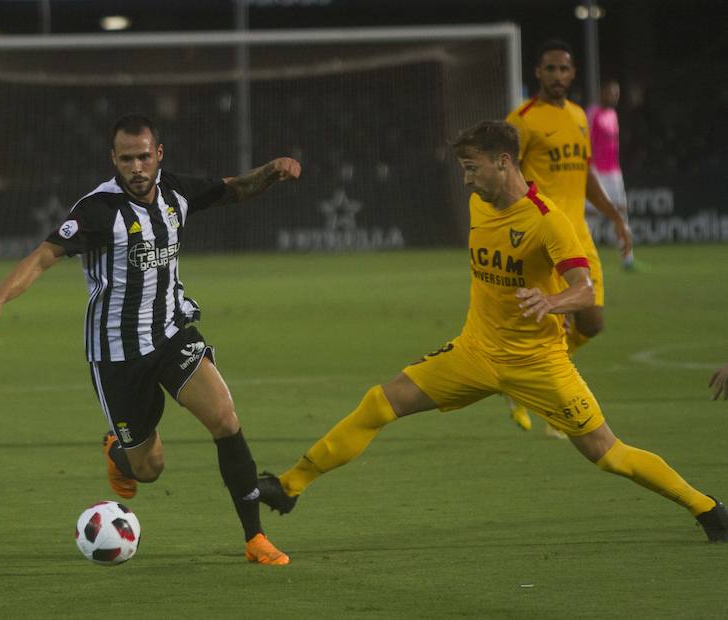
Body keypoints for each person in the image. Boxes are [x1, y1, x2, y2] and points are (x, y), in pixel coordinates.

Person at [256, 120, 728, 544]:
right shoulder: (479, 205)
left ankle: (707, 509)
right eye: (463, 169)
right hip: (473, 352)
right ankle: (291, 484)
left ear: (503, 163)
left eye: (472, 168)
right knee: (380, 402)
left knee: (609, 454)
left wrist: (552, 300)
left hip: (538, 364)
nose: (466, 179)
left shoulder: (547, 221)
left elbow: (585, 291)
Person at [0, 114, 301, 565]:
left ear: (158, 154)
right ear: (114, 160)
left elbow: (234, 188)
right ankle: (119, 452)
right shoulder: (98, 210)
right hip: (117, 354)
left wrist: (271, 172)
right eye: (127, 159)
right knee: (148, 469)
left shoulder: (176, 192)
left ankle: (254, 539)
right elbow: (44, 256)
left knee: (224, 418)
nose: (137, 167)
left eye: (144, 156)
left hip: (170, 332)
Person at [503, 39, 633, 437]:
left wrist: (614, 216)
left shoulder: (578, 115)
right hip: (544, 238)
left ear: (573, 74)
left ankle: (522, 387)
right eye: (550, 69)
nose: (558, 76)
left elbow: (586, 173)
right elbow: (504, 176)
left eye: (564, 69)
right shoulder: (522, 120)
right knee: (552, 325)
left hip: (579, 236)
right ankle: (553, 405)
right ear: (538, 74)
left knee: (591, 323)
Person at [586, 79, 636, 270]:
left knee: (621, 212)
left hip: (614, 172)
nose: (614, 96)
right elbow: (585, 141)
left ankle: (627, 259)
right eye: (611, 92)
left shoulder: (613, 114)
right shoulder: (593, 113)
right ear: (602, 93)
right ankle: (582, 256)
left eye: (617, 93)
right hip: (597, 171)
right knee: (592, 215)